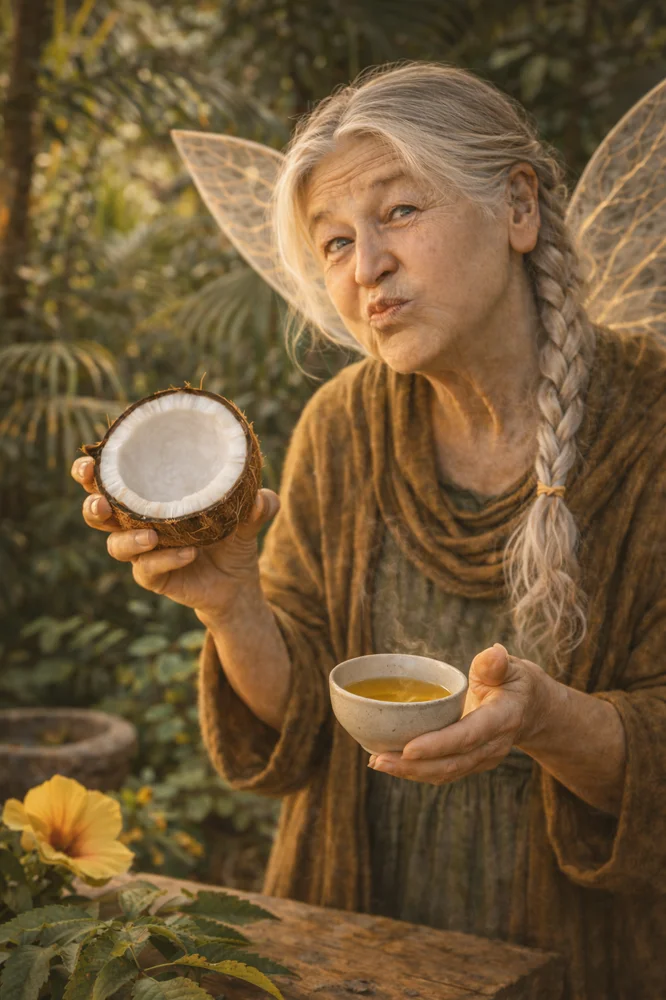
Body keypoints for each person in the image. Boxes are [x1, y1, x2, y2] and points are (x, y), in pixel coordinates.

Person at [73, 64, 666, 1000]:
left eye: (400, 212)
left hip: (584, 967)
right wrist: (231, 604)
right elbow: (303, 727)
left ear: (518, 207)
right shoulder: (344, 426)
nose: (366, 268)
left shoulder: (651, 427)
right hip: (349, 951)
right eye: (337, 242)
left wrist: (549, 722)